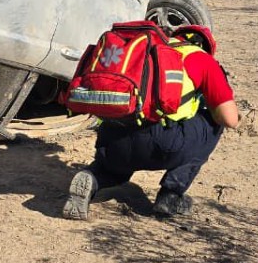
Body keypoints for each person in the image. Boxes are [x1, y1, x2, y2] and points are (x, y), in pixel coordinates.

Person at [62, 25, 239, 220]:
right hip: (161, 145)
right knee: (214, 124)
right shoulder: (201, 58)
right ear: (205, 45)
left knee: (116, 167)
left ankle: (93, 177)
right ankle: (170, 195)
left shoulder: (148, 52)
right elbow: (230, 119)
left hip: (112, 140)